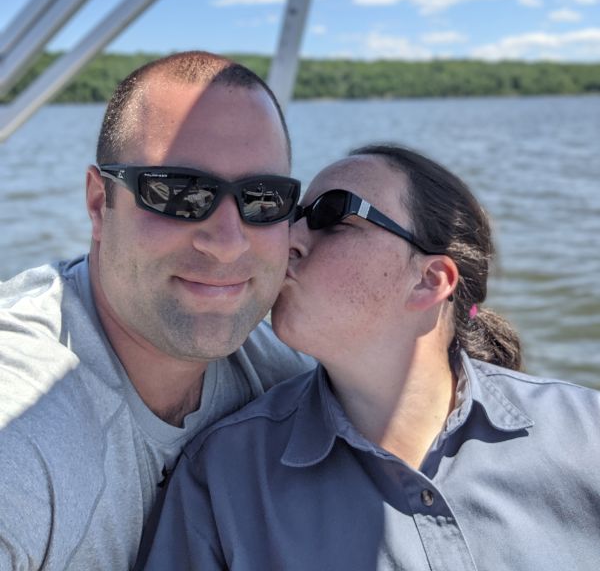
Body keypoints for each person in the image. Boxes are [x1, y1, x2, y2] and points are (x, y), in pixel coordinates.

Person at [140, 143, 600, 571]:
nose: (286, 241)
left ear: (429, 280)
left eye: (332, 216)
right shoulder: (224, 479)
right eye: (291, 218)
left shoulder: (584, 437)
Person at [0, 51, 313, 570]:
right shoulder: (25, 423)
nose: (229, 244)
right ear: (101, 204)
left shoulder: (283, 376)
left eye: (263, 200)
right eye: (180, 194)